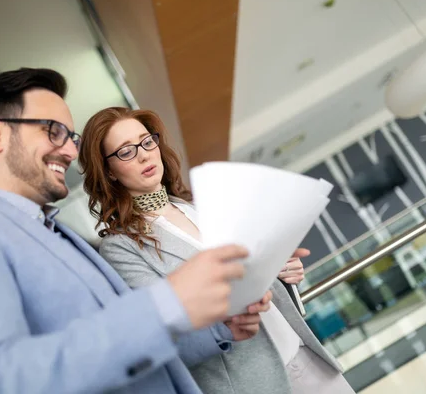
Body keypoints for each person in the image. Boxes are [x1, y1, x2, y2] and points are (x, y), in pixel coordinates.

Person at [0, 68, 273, 394]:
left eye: (71, 136)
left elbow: (132, 346)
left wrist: (218, 330)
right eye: (53, 131)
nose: (69, 150)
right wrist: (165, 303)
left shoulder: (63, 236)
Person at [78, 107, 356, 394]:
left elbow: (260, 279)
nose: (144, 154)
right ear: (108, 171)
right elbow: (166, 326)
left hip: (306, 358)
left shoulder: (201, 206)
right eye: (126, 151)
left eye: (147, 141)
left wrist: (283, 273)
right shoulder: (120, 247)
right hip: (251, 385)